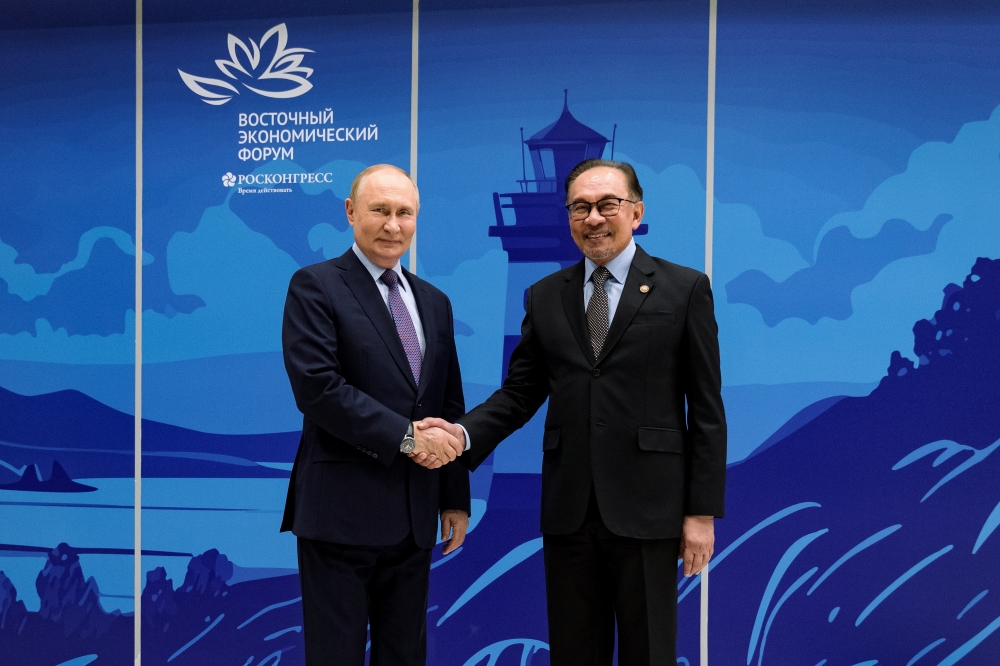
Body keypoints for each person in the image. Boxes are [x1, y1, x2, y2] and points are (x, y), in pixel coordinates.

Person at [417, 159, 726, 665]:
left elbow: (708, 409)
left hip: (651, 510)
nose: (594, 218)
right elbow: (519, 393)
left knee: (650, 654)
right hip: (570, 513)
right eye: (580, 207)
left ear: (636, 211)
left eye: (607, 204)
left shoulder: (685, 288)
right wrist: (461, 436)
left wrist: (700, 513)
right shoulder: (544, 297)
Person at [280, 164, 470, 666]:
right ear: (350, 212)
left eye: (404, 213)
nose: (392, 225)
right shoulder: (315, 286)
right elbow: (317, 388)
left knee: (405, 656)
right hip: (339, 516)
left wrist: (454, 495)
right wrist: (407, 438)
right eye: (380, 211)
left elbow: (448, 404)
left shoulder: (434, 301)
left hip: (414, 516)